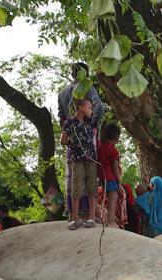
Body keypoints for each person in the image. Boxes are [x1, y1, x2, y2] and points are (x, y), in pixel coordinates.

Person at [58, 63, 105, 218]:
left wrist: (70, 132)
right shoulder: (88, 88)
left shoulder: (63, 93)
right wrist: (90, 126)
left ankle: (73, 212)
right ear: (85, 73)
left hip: (72, 140)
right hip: (87, 138)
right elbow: (100, 107)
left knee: (73, 174)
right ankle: (89, 213)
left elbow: (61, 117)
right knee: (89, 174)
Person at [60, 97, 99, 229]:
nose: (91, 110)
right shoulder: (70, 122)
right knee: (77, 187)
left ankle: (92, 217)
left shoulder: (90, 123)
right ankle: (75, 218)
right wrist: (72, 141)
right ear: (81, 107)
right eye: (89, 108)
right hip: (77, 159)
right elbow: (63, 140)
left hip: (91, 159)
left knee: (92, 188)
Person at [97, 122, 123, 228]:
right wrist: (119, 181)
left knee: (105, 199)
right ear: (116, 138)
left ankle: (105, 218)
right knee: (113, 198)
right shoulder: (114, 150)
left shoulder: (99, 147)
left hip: (101, 177)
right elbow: (115, 168)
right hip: (111, 178)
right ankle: (110, 220)